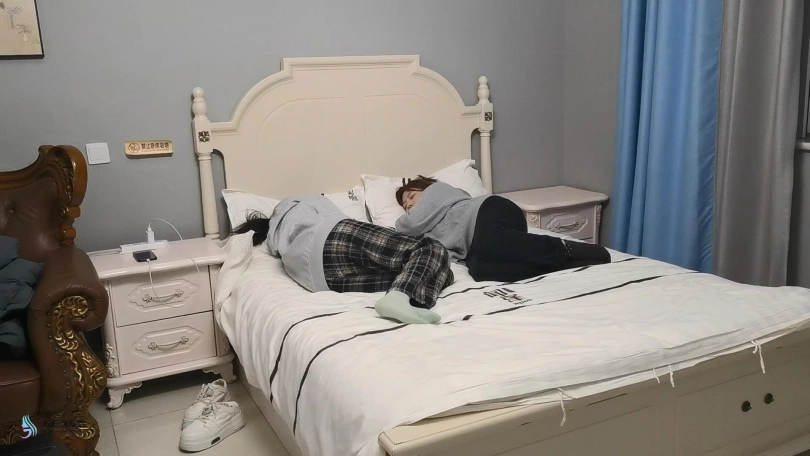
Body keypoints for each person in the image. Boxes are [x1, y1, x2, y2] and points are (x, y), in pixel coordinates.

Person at [234, 195, 453, 325]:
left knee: (433, 271)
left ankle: (406, 300)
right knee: (431, 248)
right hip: (329, 235)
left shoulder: (275, 239)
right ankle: (399, 298)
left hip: (318, 280)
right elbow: (339, 218)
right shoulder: (298, 200)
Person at [395, 177, 611, 282]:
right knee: (480, 272)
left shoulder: (436, 191)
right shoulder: (425, 229)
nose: (410, 206)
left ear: (424, 188)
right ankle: (567, 264)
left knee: (490, 244)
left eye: (411, 197)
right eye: (405, 206)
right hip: (478, 243)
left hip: (490, 211)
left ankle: (564, 247)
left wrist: (404, 220)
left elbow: (407, 225)